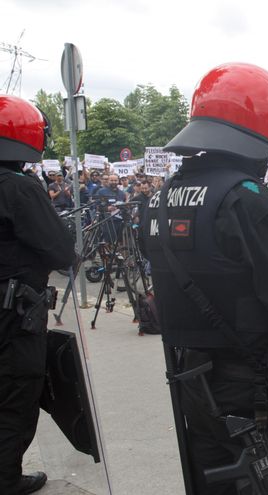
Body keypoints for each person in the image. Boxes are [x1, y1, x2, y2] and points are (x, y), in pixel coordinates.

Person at [141, 63, 268, 494]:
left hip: (193, 378)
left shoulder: (158, 198)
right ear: (258, 125)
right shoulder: (247, 201)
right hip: (255, 385)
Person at [0, 95, 76, 494]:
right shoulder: (20, 188)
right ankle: (5, 479)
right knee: (16, 394)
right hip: (14, 317)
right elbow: (61, 252)